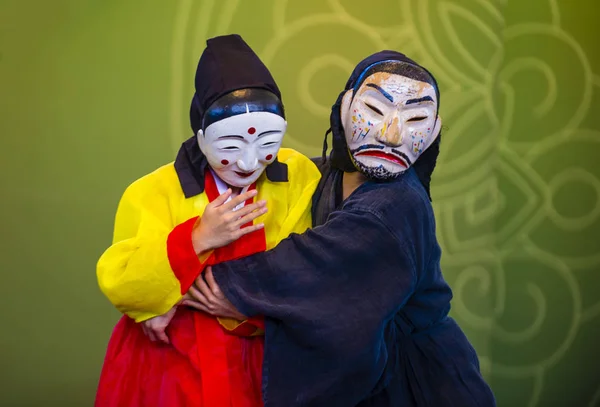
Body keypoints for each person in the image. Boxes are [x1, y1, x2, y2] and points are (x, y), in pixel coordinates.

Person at [177, 51, 498, 406]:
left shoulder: (397, 205)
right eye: (375, 110)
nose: (392, 134)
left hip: (418, 383)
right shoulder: (325, 173)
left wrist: (207, 282)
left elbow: (310, 266)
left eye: (416, 119)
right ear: (345, 109)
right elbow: (260, 179)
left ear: (434, 130)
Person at [94, 34, 321, 407]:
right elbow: (122, 281)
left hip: (263, 362)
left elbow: (305, 271)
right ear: (200, 137)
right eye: (230, 146)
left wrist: (222, 300)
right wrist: (198, 238)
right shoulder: (152, 191)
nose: (248, 163)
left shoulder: (299, 176)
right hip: (173, 368)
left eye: (266, 143)